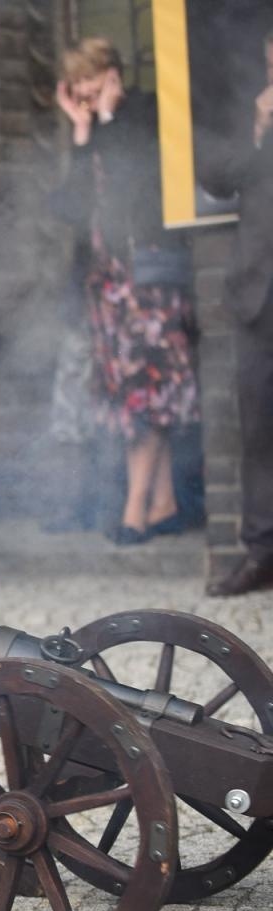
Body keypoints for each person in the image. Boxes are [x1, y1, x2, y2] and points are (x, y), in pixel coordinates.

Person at [50, 38, 200, 546]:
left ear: (112, 73)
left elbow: (139, 184)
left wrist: (110, 122)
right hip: (108, 286)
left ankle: (136, 509)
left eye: (92, 77)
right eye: (77, 82)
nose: (86, 90)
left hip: (148, 277)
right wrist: (81, 131)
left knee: (148, 391)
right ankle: (164, 502)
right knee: (131, 396)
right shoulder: (91, 131)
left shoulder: (145, 113)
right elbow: (70, 208)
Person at [201, 30, 273, 596]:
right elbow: (217, 175)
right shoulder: (257, 120)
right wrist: (259, 130)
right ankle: (263, 549)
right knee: (258, 431)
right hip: (259, 294)